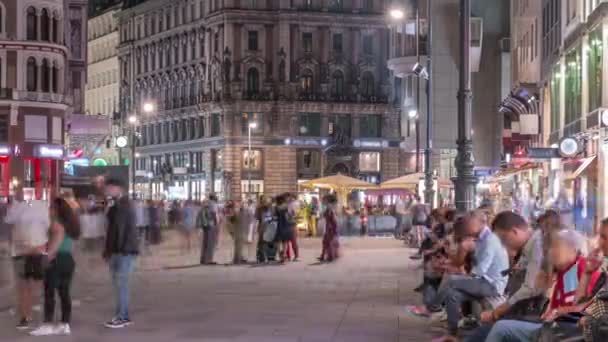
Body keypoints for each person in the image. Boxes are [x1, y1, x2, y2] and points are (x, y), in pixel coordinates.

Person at [408, 212, 510, 342]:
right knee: (452, 295)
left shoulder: (490, 240)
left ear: (476, 224)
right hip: (482, 281)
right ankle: (452, 334)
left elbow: (479, 270)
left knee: (451, 280)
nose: (466, 231)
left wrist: (462, 273)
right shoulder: (480, 239)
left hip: (491, 284)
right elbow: (470, 264)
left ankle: (431, 308)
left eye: (468, 225)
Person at [484, 229, 601, 341]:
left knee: (501, 328)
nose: (551, 252)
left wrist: (557, 311)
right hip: (553, 325)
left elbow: (587, 306)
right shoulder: (563, 272)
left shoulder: (584, 266)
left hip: (564, 329)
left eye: (556, 247)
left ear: (573, 250)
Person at [465, 211, 545, 341]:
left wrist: (501, 309)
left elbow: (530, 288)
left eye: (503, 239)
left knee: (494, 327)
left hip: (538, 314)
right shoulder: (529, 247)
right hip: (527, 308)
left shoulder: (537, 245)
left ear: (515, 232)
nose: (502, 244)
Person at [30, 198, 81, 336]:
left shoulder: (56, 224)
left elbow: (54, 245)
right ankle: (65, 323)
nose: (49, 210)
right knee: (64, 293)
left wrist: (45, 255)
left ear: (56, 210)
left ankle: (47, 324)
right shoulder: (70, 224)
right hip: (68, 260)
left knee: (49, 293)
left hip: (57, 260)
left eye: (51, 207)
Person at [5, 199, 51, 330]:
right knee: (24, 285)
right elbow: (8, 221)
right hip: (22, 250)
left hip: (37, 249)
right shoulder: (16, 205)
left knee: (34, 284)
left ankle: (29, 310)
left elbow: (48, 225)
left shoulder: (42, 205)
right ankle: (25, 315)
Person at [103, 178, 139, 329]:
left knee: (121, 284)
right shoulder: (117, 205)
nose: (107, 191)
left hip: (123, 251)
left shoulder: (123, 205)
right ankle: (122, 315)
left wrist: (114, 250)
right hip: (120, 250)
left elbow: (120, 230)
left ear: (118, 188)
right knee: (119, 285)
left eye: (109, 188)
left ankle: (123, 316)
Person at [197, 194, 219, 265]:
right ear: (214, 198)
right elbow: (214, 214)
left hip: (205, 225)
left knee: (205, 242)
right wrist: (216, 223)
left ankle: (203, 259)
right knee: (210, 243)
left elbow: (200, 213)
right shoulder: (213, 204)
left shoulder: (205, 203)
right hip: (211, 225)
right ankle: (208, 260)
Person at [275, 195, 295, 263]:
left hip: (279, 225)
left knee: (277, 241)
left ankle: (281, 255)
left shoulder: (276, 207)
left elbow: (274, 215)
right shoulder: (287, 207)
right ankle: (283, 255)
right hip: (286, 225)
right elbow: (291, 215)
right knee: (285, 241)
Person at [319, 195, 339, 262]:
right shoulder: (329, 207)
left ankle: (330, 256)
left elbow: (333, 219)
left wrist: (333, 227)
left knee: (328, 242)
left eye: (324, 200)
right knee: (326, 242)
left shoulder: (330, 208)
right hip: (329, 227)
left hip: (330, 227)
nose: (323, 201)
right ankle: (324, 256)